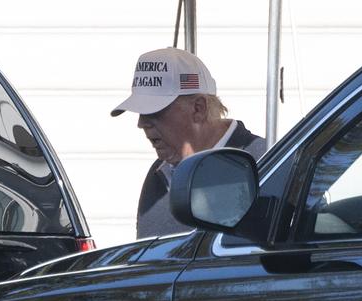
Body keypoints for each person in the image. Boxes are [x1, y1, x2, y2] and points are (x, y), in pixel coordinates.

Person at [111, 47, 266, 239]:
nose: (141, 123)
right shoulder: (159, 173)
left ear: (198, 109)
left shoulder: (265, 161)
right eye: (141, 113)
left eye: (153, 112)